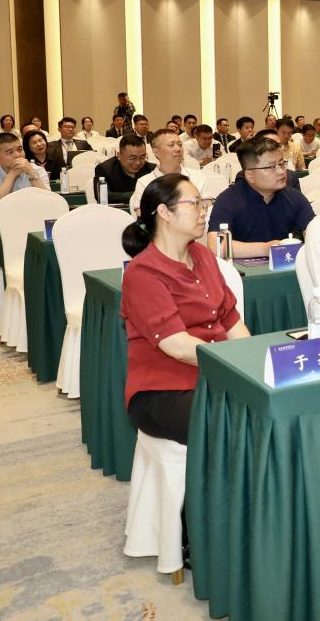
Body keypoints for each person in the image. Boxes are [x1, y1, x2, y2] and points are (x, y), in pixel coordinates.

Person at [121, 174, 250, 445]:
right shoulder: (143, 272)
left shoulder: (203, 256)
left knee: (269, 409)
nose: (204, 212)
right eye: (195, 204)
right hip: (163, 389)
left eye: (205, 204)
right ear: (165, 213)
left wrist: (250, 365)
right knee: (235, 424)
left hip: (216, 373)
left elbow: (231, 322)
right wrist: (232, 363)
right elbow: (177, 346)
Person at [207, 136, 314, 258]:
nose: (281, 171)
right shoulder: (228, 200)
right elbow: (216, 246)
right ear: (250, 175)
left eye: (281, 164)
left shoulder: (294, 197)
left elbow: (315, 235)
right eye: (271, 167)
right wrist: (266, 249)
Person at [129, 129, 213, 216]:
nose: (178, 149)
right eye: (171, 145)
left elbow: (206, 209)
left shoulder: (197, 176)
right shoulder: (145, 182)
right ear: (155, 151)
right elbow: (142, 217)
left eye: (180, 145)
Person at [0, 133, 50, 218]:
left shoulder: (36, 169)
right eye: (10, 152)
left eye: (20, 149)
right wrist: (12, 174)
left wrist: (31, 173)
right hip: (0, 222)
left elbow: (49, 200)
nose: (18, 155)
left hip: (34, 218)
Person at [94, 134, 156, 204]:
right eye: (132, 158)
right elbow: (103, 196)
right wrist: (137, 195)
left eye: (142, 157)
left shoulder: (151, 169)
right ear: (119, 155)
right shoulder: (104, 169)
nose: (138, 162)